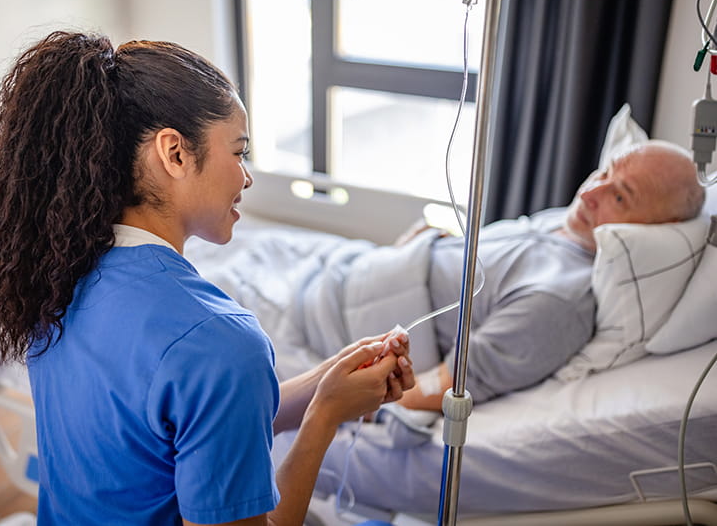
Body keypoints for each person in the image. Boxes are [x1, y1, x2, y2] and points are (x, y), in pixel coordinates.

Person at [0, 31, 415, 525]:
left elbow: (191, 424)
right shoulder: (219, 341)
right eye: (239, 152)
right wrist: (323, 418)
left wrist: (328, 382)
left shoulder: (53, 279)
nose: (247, 177)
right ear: (174, 153)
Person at [194, 140, 705, 412]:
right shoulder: (564, 226)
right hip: (336, 271)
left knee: (189, 309)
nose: (592, 191)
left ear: (650, 231)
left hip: (318, 325)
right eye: (606, 172)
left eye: (620, 196)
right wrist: (428, 244)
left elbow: (452, 383)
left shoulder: (561, 302)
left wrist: (362, 413)